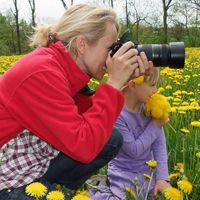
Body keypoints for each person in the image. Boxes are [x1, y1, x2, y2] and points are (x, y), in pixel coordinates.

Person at [0, 4, 154, 200]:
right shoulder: (42, 71)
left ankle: (49, 185)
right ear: (81, 45)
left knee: (111, 139)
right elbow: (84, 146)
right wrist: (114, 84)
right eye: (110, 48)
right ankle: (30, 191)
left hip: (29, 153)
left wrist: (121, 84)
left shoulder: (61, 65)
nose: (112, 57)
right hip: (6, 171)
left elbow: (86, 117)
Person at [89, 68, 171, 200]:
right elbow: (134, 151)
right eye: (152, 85)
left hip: (148, 172)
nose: (155, 90)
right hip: (123, 174)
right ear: (133, 85)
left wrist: (163, 178)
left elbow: (159, 145)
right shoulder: (117, 114)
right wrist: (155, 125)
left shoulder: (149, 107)